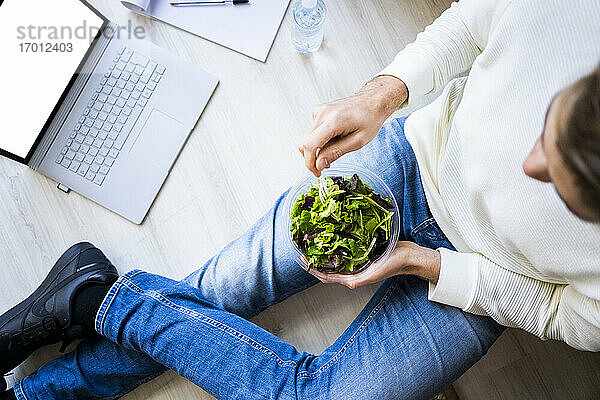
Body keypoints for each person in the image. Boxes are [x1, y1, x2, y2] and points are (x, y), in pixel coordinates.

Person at [1, 0, 600, 399]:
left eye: (559, 191)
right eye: (543, 128)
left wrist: (435, 265)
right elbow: (473, 22)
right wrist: (381, 95)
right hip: (414, 161)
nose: (527, 165)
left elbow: (568, 316)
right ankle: (42, 382)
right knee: (215, 295)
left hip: (491, 288)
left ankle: (95, 298)